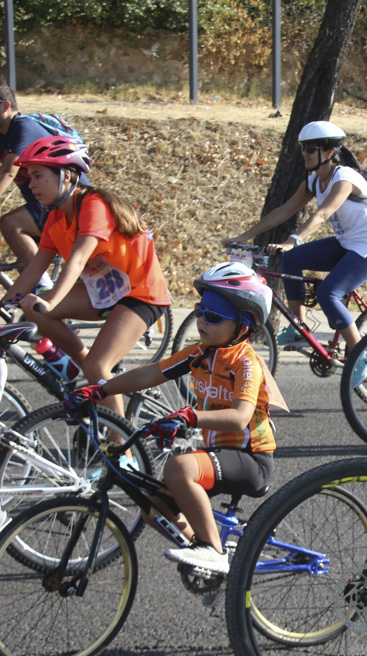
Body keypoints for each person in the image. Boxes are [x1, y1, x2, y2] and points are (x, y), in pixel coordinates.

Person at [63, 263, 283, 574]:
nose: (203, 321)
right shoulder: (201, 352)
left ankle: (214, 551)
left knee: (179, 467)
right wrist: (100, 390)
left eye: (215, 315)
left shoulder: (246, 362)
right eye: (200, 311)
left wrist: (189, 417)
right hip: (218, 454)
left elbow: (239, 417)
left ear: (244, 325)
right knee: (151, 503)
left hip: (251, 458)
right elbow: (152, 372)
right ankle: (204, 557)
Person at [1, 135, 172, 423]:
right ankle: (84, 369)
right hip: (103, 294)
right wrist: (5, 304)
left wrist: (50, 299)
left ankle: (121, 447)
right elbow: (33, 270)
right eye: (29, 177)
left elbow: (78, 258)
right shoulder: (55, 218)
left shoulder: (93, 204)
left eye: (38, 176)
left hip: (141, 293)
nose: (30, 185)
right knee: (33, 311)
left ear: (66, 175)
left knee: (98, 364)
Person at [225, 121, 367, 357]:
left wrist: (293, 239)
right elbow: (284, 211)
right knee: (291, 259)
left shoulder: (344, 177)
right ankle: (298, 328)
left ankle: (361, 354)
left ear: (328, 152)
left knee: (328, 293)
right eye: (302, 148)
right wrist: (245, 236)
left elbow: (323, 213)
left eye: (310, 148)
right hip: (347, 243)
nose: (304, 153)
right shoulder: (314, 180)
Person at [0, 82, 85, 291]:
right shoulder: (2, 136)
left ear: (4, 107)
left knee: (11, 224)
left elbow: (9, 171)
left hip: (67, 203)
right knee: (22, 271)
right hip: (44, 206)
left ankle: (45, 294)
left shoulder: (23, 127)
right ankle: (38, 312)